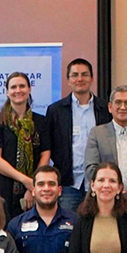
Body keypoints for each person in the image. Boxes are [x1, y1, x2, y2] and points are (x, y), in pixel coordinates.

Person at [47, 58, 111, 204]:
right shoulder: (56, 111)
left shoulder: (105, 109)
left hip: (100, 182)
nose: (80, 79)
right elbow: (49, 146)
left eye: (84, 74)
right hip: (69, 183)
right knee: (68, 225)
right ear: (68, 80)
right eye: (75, 75)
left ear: (92, 79)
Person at [0, 72, 51, 216]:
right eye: (13, 87)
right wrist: (26, 180)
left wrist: (33, 186)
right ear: (7, 92)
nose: (18, 90)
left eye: (22, 86)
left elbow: (45, 155)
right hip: (5, 190)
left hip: (36, 191)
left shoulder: (41, 122)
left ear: (29, 89)